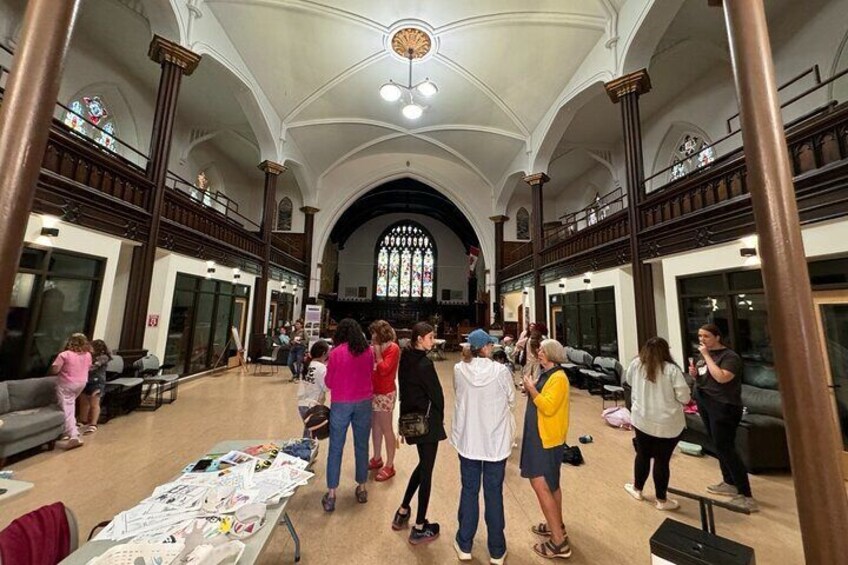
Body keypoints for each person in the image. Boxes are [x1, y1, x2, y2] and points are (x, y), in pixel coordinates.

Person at [451, 329, 515, 564]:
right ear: (486, 347)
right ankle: (497, 550)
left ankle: (464, 544)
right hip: (495, 442)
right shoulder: (501, 371)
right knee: (493, 492)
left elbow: (458, 393)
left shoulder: (459, 369)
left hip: (469, 440)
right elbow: (511, 399)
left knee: (469, 490)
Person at [689, 324, 758, 512]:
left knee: (726, 447)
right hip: (705, 402)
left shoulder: (730, 357)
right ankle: (729, 482)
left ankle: (746, 495)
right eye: (700, 336)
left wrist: (706, 356)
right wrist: (695, 375)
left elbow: (722, 378)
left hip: (723, 405)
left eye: (706, 336)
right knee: (717, 444)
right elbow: (705, 377)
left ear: (717, 337)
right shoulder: (704, 356)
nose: (702, 340)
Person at [393, 321, 446, 545]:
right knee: (427, 473)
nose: (433, 341)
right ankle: (420, 526)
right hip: (427, 423)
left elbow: (405, 392)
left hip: (411, 421)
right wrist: (440, 417)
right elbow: (437, 395)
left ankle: (403, 510)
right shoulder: (425, 364)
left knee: (423, 465)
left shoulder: (406, 358)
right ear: (419, 339)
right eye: (430, 337)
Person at [623, 337, 691, 511]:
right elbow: (684, 397)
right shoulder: (671, 370)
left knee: (643, 455)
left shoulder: (636, 365)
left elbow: (629, 381)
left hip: (642, 420)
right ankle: (661, 499)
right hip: (667, 424)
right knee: (662, 460)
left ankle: (637, 489)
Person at [521, 339, 571, 559]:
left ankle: (559, 542)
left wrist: (532, 389)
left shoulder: (558, 378)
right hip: (541, 435)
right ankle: (556, 525)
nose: (538, 352)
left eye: (542, 350)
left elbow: (548, 407)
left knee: (540, 484)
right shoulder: (547, 373)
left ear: (551, 353)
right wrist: (531, 389)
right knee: (551, 483)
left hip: (545, 438)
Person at [323, 319, 374, 512]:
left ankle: (331, 494)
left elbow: (329, 382)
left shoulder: (335, 353)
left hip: (341, 403)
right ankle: (362, 488)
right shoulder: (368, 351)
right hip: (364, 402)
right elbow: (370, 373)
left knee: (336, 447)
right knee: (362, 445)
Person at [369, 320, 400, 482]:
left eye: (374, 333)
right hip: (373, 391)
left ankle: (390, 464)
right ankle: (377, 457)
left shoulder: (393, 348)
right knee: (375, 427)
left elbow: (384, 369)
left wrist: (378, 353)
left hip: (385, 393)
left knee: (386, 428)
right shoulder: (374, 348)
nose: (372, 337)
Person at [48, 333, 92, 449]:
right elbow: (88, 368)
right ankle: (66, 431)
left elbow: (55, 370)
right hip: (81, 383)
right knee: (70, 406)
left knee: (68, 409)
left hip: (66, 384)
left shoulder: (64, 355)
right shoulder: (88, 355)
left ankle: (73, 435)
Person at [78, 339, 111, 435]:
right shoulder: (88, 356)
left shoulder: (103, 357)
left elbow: (93, 367)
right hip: (86, 381)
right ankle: (83, 420)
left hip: (97, 383)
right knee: (84, 402)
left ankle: (93, 423)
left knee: (94, 403)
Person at [298, 340, 330, 438]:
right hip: (312, 405)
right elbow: (326, 387)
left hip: (302, 403)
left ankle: (304, 447)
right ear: (324, 353)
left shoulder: (309, 364)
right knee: (310, 435)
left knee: (309, 431)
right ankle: (304, 448)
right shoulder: (322, 368)